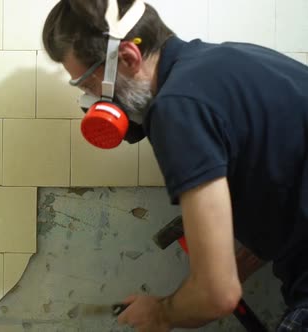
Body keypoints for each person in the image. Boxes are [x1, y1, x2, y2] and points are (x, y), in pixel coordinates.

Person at [42, 0, 308, 331]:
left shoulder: (176, 110)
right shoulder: (227, 62)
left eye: (88, 85)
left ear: (127, 58)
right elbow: (282, 187)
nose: (90, 102)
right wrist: (235, 266)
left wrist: (162, 313)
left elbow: (217, 295)